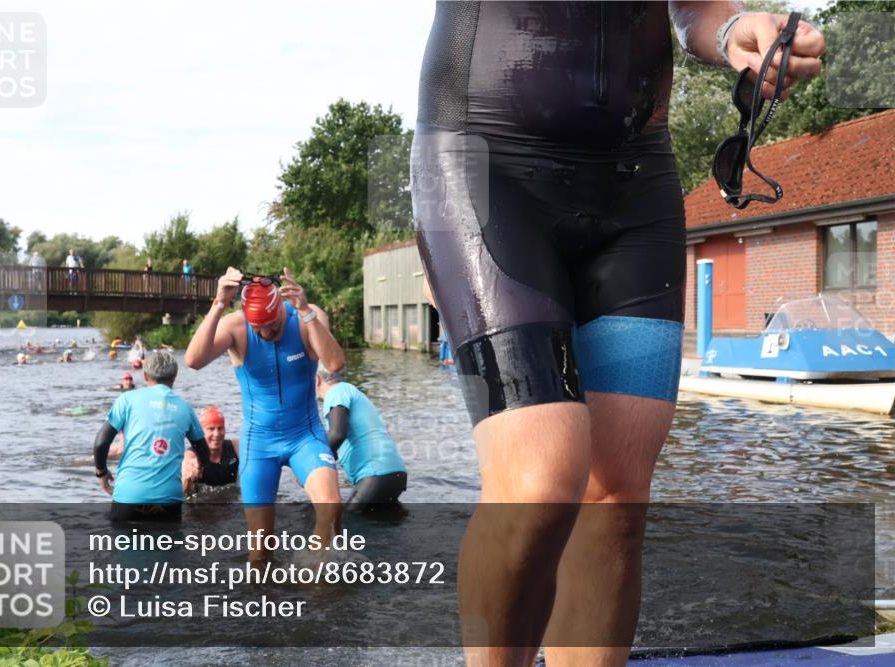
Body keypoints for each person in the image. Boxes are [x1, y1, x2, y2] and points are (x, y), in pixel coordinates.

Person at [411, 4, 826, 664]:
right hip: (482, 164)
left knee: (617, 498)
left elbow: (696, 9)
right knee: (542, 477)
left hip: (635, 187)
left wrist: (731, 30)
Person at [185, 267, 345, 561]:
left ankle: (315, 581)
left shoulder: (306, 317)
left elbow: (334, 364)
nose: (266, 333)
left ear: (281, 310)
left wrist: (306, 310)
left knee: (331, 507)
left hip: (305, 436)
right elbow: (193, 360)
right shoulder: (236, 327)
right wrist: (219, 303)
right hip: (258, 442)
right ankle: (264, 600)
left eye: (272, 325)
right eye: (258, 328)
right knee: (260, 549)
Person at [93, 350, 210, 522]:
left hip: (129, 496)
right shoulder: (185, 408)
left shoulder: (127, 400)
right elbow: (204, 452)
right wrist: (199, 467)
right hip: (168, 500)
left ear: (145, 375)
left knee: (123, 547)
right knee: (167, 548)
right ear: (174, 378)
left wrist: (101, 473)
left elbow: (101, 443)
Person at [316, 368, 407, 509]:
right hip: (395, 473)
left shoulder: (336, 392)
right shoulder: (351, 392)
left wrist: (313, 465)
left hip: (375, 474)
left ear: (317, 379)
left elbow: (337, 434)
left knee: (349, 525)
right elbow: (334, 445)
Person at [181, 406, 240, 496]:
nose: (216, 434)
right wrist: (187, 478)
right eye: (211, 429)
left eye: (220, 428)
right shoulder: (192, 456)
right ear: (201, 432)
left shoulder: (235, 447)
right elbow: (182, 495)